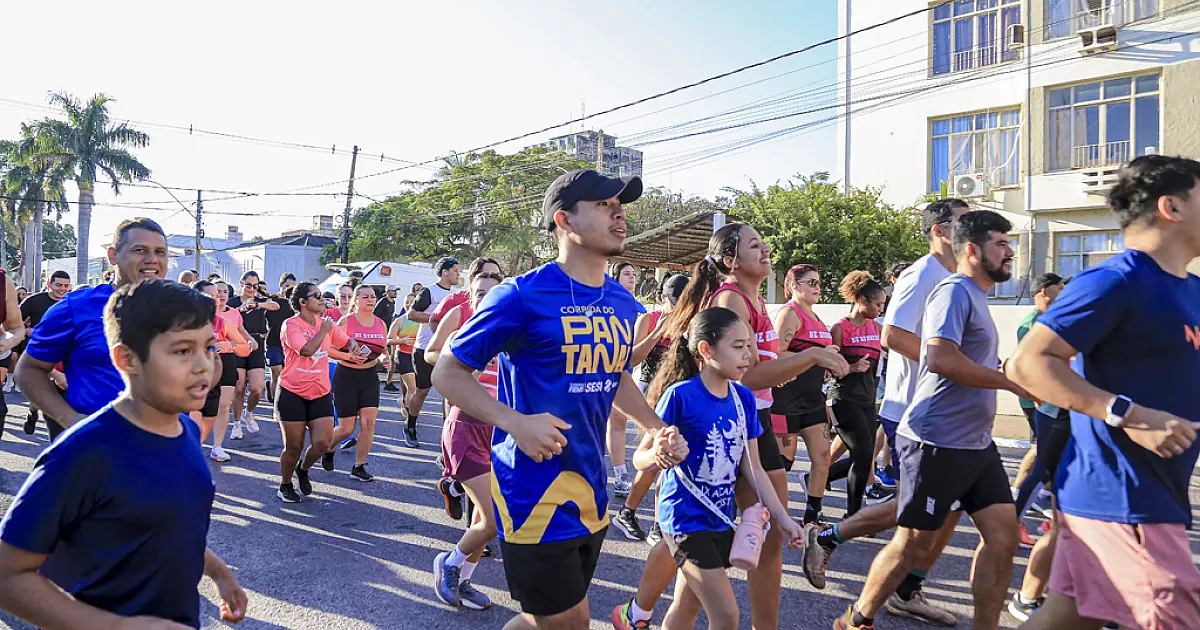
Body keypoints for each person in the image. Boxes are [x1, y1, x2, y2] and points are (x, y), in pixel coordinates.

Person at [431, 169, 685, 629]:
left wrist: (654, 427)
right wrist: (514, 422)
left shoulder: (621, 303)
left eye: (619, 205)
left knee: (541, 620)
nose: (619, 214)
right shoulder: (520, 296)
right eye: (604, 206)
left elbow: (615, 374)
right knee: (570, 624)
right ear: (564, 220)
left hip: (591, 488)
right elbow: (447, 371)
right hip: (532, 491)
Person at [617, 224, 849, 630]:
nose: (765, 250)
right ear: (730, 261)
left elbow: (757, 379)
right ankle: (638, 612)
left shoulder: (755, 303)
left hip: (750, 419)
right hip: (725, 420)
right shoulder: (730, 300)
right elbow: (753, 375)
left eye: (764, 243)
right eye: (754, 245)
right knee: (700, 545)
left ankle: (637, 613)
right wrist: (813, 356)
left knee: (724, 551)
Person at [1007, 155, 1200, 630]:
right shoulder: (1115, 280)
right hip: (1121, 493)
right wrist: (1130, 414)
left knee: (1065, 617)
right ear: (1171, 207)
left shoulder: (1192, 290)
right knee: (1175, 613)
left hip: (1157, 491)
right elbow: (1028, 363)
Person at [0, 279, 246, 629]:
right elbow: (7, 575)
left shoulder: (188, 431)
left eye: (208, 348)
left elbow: (161, 528)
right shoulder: (85, 451)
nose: (203, 366)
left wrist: (220, 573)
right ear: (127, 358)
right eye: (182, 351)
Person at [834, 210, 1029, 630]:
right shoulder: (953, 291)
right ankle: (856, 620)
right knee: (913, 542)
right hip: (936, 440)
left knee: (1003, 536)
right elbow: (938, 358)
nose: (1010, 250)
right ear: (973, 250)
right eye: (1001, 242)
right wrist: (1008, 381)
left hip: (975, 442)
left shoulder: (977, 294)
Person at [803, 200, 970, 628]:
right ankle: (832, 541)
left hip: (948, 412)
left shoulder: (957, 275)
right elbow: (893, 335)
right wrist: (954, 366)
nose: (974, 228)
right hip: (915, 408)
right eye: (965, 221)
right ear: (941, 229)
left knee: (947, 509)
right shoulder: (923, 273)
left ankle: (906, 589)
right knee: (917, 509)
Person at [624, 307, 803, 630]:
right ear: (706, 350)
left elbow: (754, 469)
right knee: (726, 616)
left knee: (685, 606)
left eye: (749, 345)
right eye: (738, 346)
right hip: (684, 520)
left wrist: (784, 519)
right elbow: (641, 460)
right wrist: (660, 457)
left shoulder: (744, 399)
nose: (748, 355)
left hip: (721, 518)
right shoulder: (680, 396)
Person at [16, 218, 164, 429]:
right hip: (99, 448)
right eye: (140, 250)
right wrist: (70, 419)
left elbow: (207, 368)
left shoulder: (182, 308)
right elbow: (29, 369)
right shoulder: (76, 307)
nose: (152, 259)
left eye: (160, 252)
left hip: (166, 447)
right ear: (113, 255)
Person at [427, 269, 504, 611]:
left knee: (484, 520)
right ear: (471, 299)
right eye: (480, 293)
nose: (486, 298)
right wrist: (470, 365)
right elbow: (441, 373)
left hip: (499, 433)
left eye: (493, 292)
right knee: (495, 518)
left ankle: (464, 576)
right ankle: (450, 564)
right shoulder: (464, 334)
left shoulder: (514, 338)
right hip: (466, 427)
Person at [612, 272, 690, 543]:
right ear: (662, 298)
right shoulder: (649, 319)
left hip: (679, 391)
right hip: (651, 392)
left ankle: (652, 522)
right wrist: (659, 332)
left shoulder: (692, 319)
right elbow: (631, 358)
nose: (679, 307)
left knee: (667, 458)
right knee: (656, 456)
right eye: (673, 301)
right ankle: (629, 513)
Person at [275, 282, 368, 503]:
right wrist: (324, 330)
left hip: (320, 391)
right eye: (316, 296)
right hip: (292, 391)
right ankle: (285, 484)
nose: (322, 300)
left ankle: (303, 469)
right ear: (302, 302)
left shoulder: (326, 324)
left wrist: (354, 345)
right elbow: (307, 350)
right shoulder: (291, 325)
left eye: (321, 296)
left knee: (322, 443)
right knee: (294, 446)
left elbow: (345, 341)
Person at [770, 263, 838, 525]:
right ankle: (765, 511)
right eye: (812, 282)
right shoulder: (789, 313)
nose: (818, 287)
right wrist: (815, 357)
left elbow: (818, 356)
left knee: (823, 457)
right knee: (782, 464)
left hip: (813, 400)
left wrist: (826, 364)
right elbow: (777, 353)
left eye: (819, 282)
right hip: (786, 400)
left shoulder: (816, 317)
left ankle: (812, 517)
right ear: (793, 286)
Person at [1011, 272, 1065, 549]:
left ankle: (1055, 522)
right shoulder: (1032, 323)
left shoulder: (1055, 319)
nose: (1064, 289)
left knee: (1056, 465)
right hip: (1044, 405)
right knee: (1042, 464)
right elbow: (1024, 364)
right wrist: (1035, 395)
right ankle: (1014, 521)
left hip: (1062, 405)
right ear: (1044, 291)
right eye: (1060, 286)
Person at [824, 271, 885, 518]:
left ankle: (820, 475)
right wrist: (851, 367)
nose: (881, 309)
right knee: (862, 456)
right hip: (844, 398)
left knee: (865, 456)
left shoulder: (878, 328)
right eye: (877, 304)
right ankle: (853, 515)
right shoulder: (840, 328)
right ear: (862, 301)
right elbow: (829, 369)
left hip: (868, 400)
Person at [322, 285, 388, 482]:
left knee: (369, 423)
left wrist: (385, 358)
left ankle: (359, 466)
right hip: (347, 376)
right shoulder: (346, 322)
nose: (370, 300)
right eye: (365, 296)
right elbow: (329, 348)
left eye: (373, 296)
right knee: (346, 428)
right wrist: (348, 356)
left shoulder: (380, 323)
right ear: (356, 301)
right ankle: (328, 448)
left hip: (369, 378)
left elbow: (383, 348)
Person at [192, 280, 250, 461]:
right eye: (210, 296)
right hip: (196, 370)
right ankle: (191, 448)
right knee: (194, 408)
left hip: (224, 365)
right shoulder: (184, 322)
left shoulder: (222, 322)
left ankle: (217, 447)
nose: (216, 300)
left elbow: (245, 348)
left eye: (217, 296)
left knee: (223, 406)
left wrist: (228, 344)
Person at [407, 257, 460, 448]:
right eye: (454, 270)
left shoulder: (457, 294)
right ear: (444, 272)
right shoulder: (429, 291)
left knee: (449, 394)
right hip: (424, 348)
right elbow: (411, 314)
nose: (457, 273)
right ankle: (410, 426)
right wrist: (439, 317)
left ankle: (447, 436)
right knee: (422, 391)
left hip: (446, 350)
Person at [17, 271, 69, 436]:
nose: (62, 289)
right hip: (39, 353)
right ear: (49, 284)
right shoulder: (34, 301)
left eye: (66, 286)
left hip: (65, 354)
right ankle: (33, 412)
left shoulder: (72, 302)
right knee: (40, 391)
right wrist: (30, 331)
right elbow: (14, 322)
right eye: (58, 285)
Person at [606, 261, 641, 500]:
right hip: (602, 367)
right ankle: (615, 475)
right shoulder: (605, 301)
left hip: (626, 369)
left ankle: (621, 477)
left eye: (634, 274)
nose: (632, 277)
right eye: (626, 274)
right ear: (615, 277)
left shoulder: (638, 306)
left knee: (619, 422)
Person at [227, 270, 277, 437]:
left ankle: (249, 413)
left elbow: (275, 305)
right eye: (248, 285)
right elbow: (224, 317)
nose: (251, 289)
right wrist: (240, 310)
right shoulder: (232, 302)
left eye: (255, 286)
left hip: (256, 344)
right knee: (239, 387)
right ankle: (236, 423)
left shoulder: (259, 300)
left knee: (257, 388)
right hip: (238, 344)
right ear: (241, 284)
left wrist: (257, 304)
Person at [264, 273, 298, 403]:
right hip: (273, 342)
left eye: (293, 288)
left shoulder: (295, 306)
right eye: (288, 286)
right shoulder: (272, 301)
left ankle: (282, 401)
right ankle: (276, 407)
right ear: (281, 285)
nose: (290, 290)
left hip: (290, 345)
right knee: (276, 372)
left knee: (287, 376)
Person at [385, 292, 418, 396]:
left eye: (411, 302)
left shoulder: (423, 320)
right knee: (412, 389)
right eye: (406, 302)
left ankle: (405, 403)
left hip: (418, 357)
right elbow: (388, 340)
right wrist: (402, 341)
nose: (409, 304)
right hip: (403, 355)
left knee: (413, 389)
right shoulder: (399, 321)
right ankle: (410, 411)